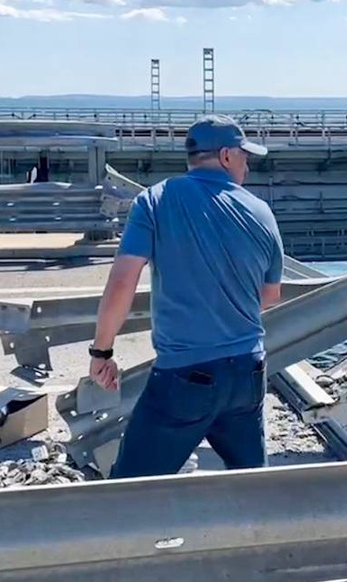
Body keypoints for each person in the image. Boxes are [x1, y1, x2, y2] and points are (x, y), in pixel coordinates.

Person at [88, 114, 284, 479]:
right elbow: (270, 296)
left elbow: (122, 282)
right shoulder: (263, 213)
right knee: (253, 485)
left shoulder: (156, 200)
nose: (247, 165)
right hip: (247, 371)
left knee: (128, 492)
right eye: (244, 156)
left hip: (183, 377)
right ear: (226, 156)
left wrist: (102, 351)